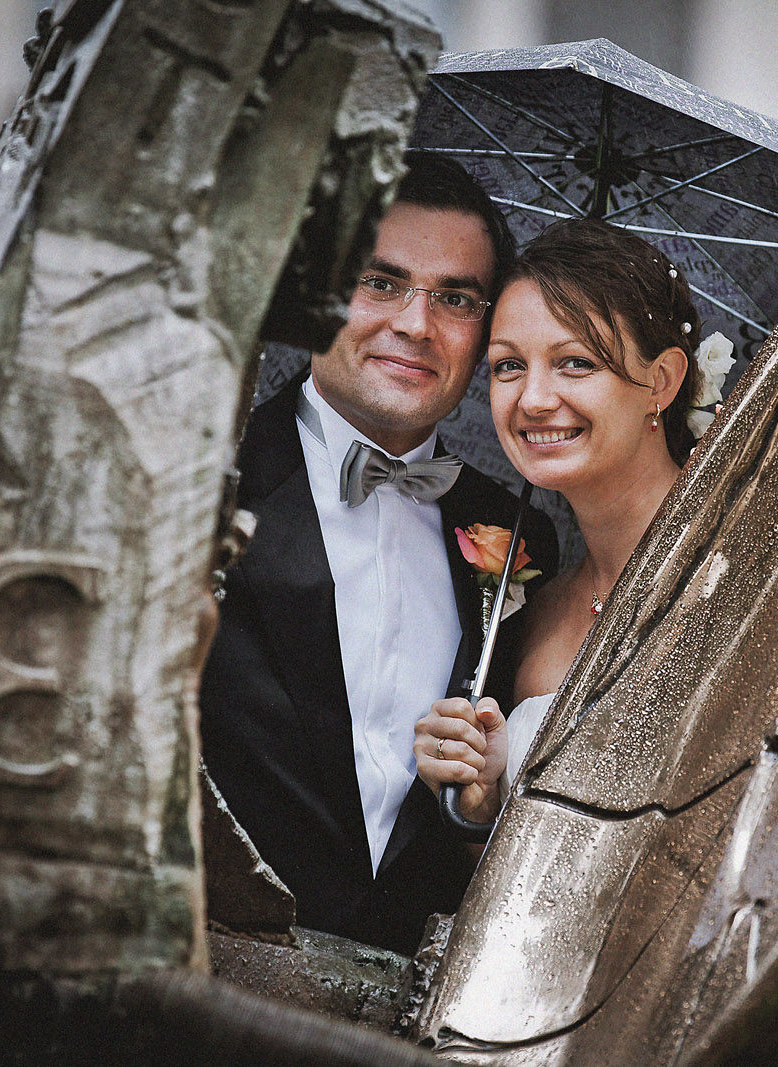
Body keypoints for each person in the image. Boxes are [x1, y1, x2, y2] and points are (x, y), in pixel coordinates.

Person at [199, 151, 559, 954]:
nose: (416, 324)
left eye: (457, 298)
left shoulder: (518, 530)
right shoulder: (205, 484)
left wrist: (470, 800)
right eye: (381, 282)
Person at [414, 217, 729, 826]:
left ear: (661, 382)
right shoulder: (533, 605)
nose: (532, 399)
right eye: (508, 365)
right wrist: (477, 807)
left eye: (575, 363)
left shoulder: (735, 570)